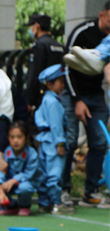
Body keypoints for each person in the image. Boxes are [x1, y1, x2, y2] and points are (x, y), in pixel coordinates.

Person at [62, 0, 110, 209]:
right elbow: (65, 67)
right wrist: (78, 100)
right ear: (101, 15)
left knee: (99, 143)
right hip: (74, 93)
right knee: (70, 142)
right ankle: (62, 190)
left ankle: (90, 192)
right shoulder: (82, 31)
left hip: (96, 94)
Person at [35, 64, 73, 214]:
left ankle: (44, 202)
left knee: (44, 173)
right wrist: (60, 142)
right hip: (53, 140)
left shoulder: (45, 100)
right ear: (50, 84)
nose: (63, 85)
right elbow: (56, 124)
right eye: (60, 82)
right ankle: (57, 202)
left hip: (45, 140)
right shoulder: (54, 102)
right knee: (54, 173)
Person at [0, 120, 39, 216]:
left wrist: (13, 181)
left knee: (25, 187)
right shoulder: (6, 152)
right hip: (8, 184)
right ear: (8, 138)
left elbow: (28, 174)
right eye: (12, 137)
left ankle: (24, 205)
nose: (15, 140)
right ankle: (11, 205)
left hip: (23, 183)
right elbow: (1, 171)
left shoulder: (32, 154)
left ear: (27, 138)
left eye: (19, 137)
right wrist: (1, 190)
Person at [24, 14, 65, 108]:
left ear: (37, 26)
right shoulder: (58, 45)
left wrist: (29, 100)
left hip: (42, 95)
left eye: (31, 26)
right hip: (58, 92)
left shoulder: (39, 45)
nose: (30, 29)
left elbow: (34, 73)